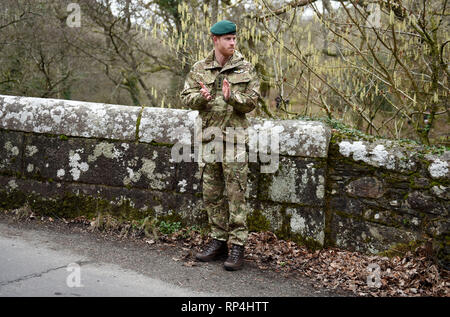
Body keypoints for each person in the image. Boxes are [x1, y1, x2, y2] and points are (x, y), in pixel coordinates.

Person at [180, 20, 260, 271]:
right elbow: (185, 97)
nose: (233, 42)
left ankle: (237, 246)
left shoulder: (245, 68)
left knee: (236, 193)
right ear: (215, 40)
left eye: (234, 38)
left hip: (235, 139)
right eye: (227, 39)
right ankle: (218, 241)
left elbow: (252, 102)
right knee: (212, 193)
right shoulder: (200, 68)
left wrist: (230, 97)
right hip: (209, 138)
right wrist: (199, 98)